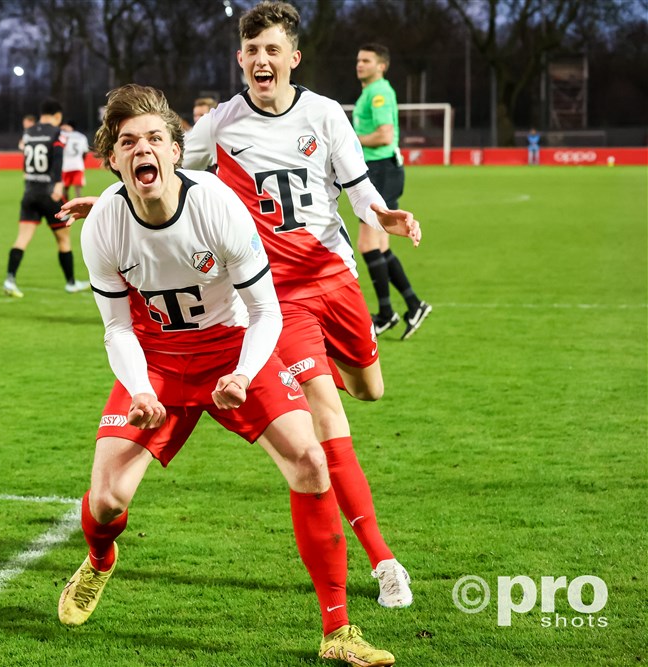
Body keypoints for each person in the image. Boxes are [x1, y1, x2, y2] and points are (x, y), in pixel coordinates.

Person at [64, 1, 420, 611]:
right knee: (324, 421)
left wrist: (381, 213)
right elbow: (156, 165)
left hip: (334, 275)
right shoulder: (221, 123)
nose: (261, 59)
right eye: (251, 50)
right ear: (240, 58)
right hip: (274, 293)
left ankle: (313, 370)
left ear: (292, 58)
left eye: (272, 49)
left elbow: (358, 187)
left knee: (369, 389)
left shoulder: (325, 114)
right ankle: (382, 561)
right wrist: (107, 203)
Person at [353, 43, 431, 340]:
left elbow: (385, 135)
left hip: (381, 169)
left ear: (381, 65)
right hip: (383, 169)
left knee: (367, 245)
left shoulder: (379, 92)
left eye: (366, 60)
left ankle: (388, 313)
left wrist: (351, 140)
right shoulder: (372, 91)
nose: (360, 64)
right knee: (381, 247)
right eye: (359, 60)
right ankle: (412, 305)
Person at [3, 98, 89, 298]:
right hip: (51, 194)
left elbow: (26, 160)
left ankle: (9, 279)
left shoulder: (29, 132)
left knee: (22, 239)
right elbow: (58, 158)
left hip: (30, 192)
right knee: (64, 239)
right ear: (57, 116)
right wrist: (58, 183)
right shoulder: (57, 133)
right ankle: (71, 283)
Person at [59, 120, 91, 200]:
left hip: (65, 166)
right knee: (78, 190)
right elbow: (85, 152)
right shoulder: (82, 136)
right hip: (78, 165)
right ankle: (79, 207)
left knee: (64, 189)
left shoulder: (62, 135)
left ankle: (65, 206)